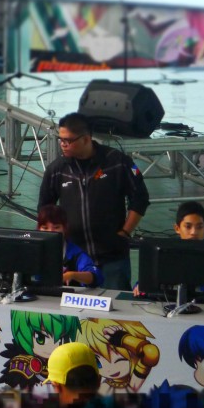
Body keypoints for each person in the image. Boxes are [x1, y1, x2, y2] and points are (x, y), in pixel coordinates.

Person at [37, 113, 149, 291]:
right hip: (75, 259)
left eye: (68, 140)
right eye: (61, 139)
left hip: (112, 256)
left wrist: (125, 232)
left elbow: (140, 198)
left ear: (86, 139)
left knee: (115, 303)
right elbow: (44, 209)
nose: (63, 144)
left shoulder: (117, 162)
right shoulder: (57, 170)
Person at [37, 205, 103, 287]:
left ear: (65, 228)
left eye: (56, 227)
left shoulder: (76, 253)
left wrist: (72, 275)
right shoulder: (33, 251)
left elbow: (96, 277)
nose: (51, 232)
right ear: (38, 229)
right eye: (45, 228)